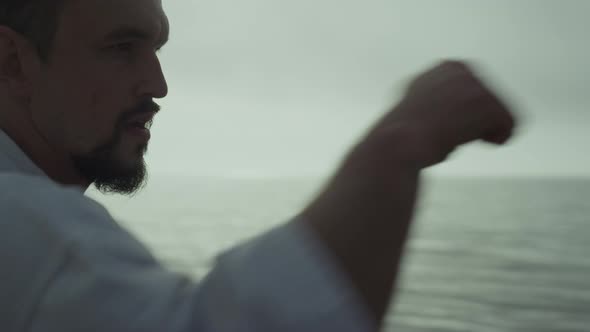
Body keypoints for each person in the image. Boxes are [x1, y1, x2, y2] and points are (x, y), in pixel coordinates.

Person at [0, 0, 516, 331]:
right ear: (13, 61)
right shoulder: (21, 219)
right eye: (120, 48)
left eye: (155, 49)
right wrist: (403, 142)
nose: (157, 86)